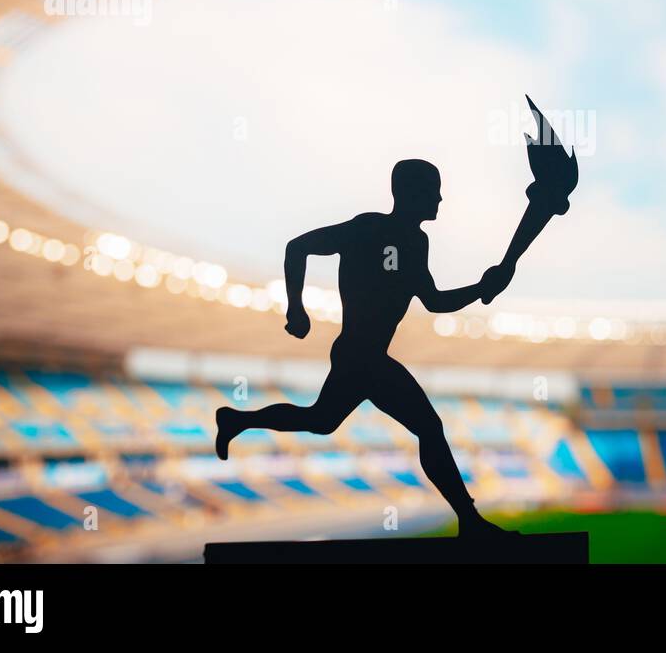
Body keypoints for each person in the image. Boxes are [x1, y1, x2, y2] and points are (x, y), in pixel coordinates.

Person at [215, 159, 514, 537]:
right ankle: (470, 521)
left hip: (362, 356)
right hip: (362, 355)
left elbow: (434, 301)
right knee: (429, 427)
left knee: (321, 420)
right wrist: (296, 307)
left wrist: (482, 288)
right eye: (432, 190)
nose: (440, 198)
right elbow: (298, 247)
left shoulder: (417, 242)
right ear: (410, 193)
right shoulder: (367, 228)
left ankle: (237, 420)